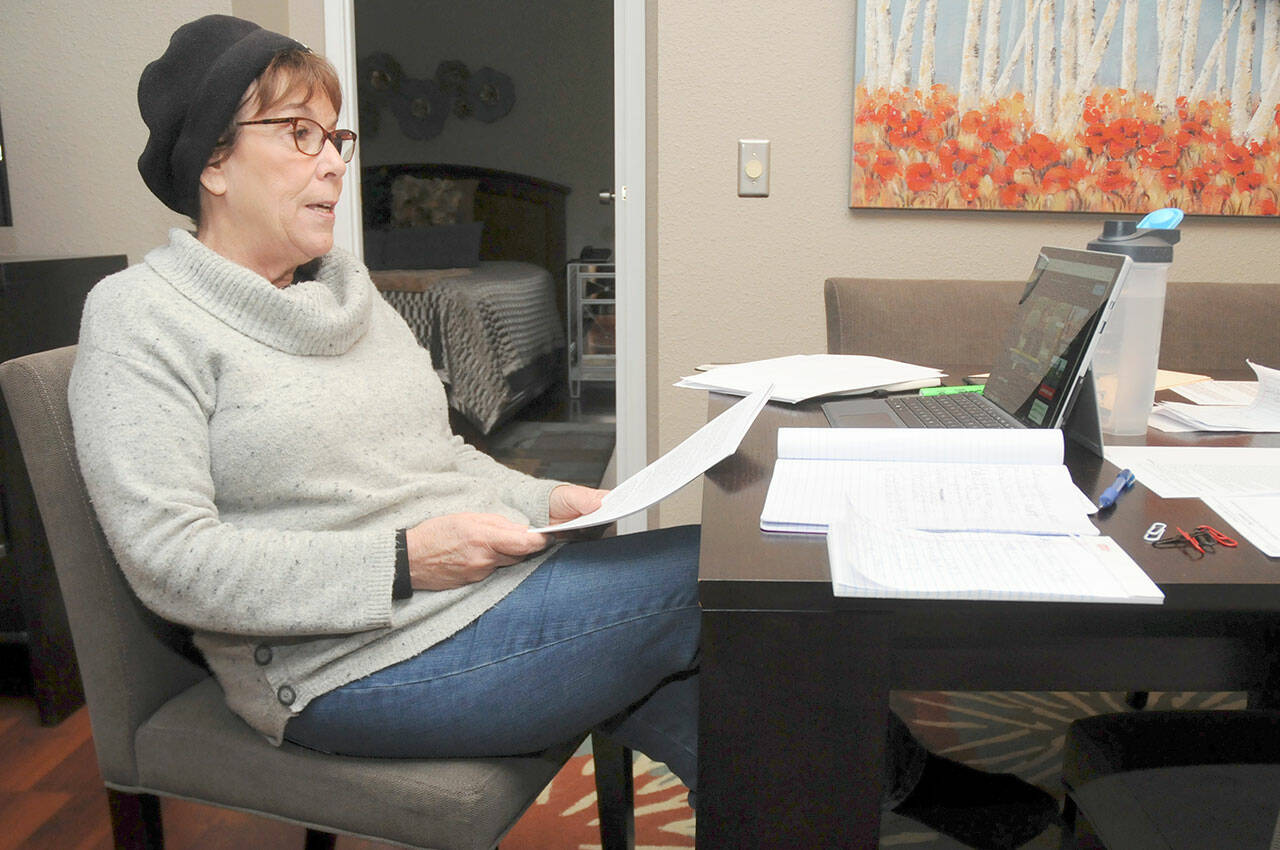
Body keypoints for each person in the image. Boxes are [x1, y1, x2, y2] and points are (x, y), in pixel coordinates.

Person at [67, 15, 1057, 849]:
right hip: (335, 666)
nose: (332, 161)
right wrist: (403, 560)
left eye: (338, 138)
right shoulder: (139, 317)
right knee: (722, 580)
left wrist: (545, 499)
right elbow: (169, 560)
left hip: (469, 603)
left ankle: (868, 790)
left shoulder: (347, 294)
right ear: (210, 162)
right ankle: (911, 778)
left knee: (722, 679)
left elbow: (435, 456)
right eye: (299, 133)